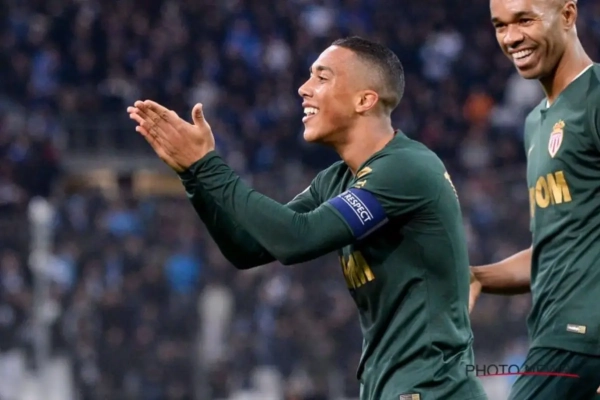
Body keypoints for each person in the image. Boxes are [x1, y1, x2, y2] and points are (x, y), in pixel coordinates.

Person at [128, 37, 487, 400]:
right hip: (391, 388)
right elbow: (248, 248)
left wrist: (208, 165)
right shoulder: (336, 180)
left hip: (433, 389)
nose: (303, 88)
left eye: (322, 77)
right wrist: (192, 175)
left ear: (365, 100)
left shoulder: (406, 167)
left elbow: (296, 240)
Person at [469, 0, 600, 398]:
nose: (511, 38)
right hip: (555, 334)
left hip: (581, 339)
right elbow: (552, 250)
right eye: (500, 25)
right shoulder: (534, 123)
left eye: (524, 19)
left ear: (568, 15)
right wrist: (477, 277)